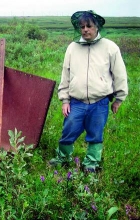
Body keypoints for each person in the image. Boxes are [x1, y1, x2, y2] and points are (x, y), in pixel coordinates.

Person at [49, 10, 128, 172]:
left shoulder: (110, 47)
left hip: (100, 102)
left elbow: (120, 74)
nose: (85, 29)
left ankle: (91, 163)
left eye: (89, 26)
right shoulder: (72, 47)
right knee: (68, 130)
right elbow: (66, 74)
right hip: (76, 101)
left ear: (96, 27)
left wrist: (119, 99)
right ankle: (63, 158)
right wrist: (65, 99)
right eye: (82, 26)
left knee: (95, 132)